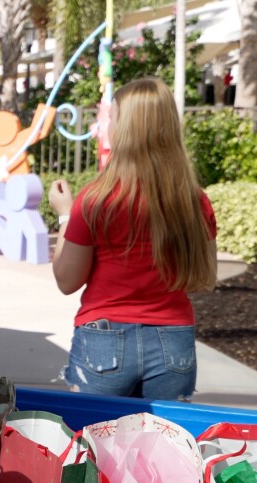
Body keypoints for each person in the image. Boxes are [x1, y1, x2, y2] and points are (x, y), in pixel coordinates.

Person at [48, 77, 218, 401]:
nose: (106, 123)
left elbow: (67, 280)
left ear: (124, 128)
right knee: (165, 448)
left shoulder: (97, 200)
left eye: (110, 117)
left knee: (94, 444)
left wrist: (65, 215)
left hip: (104, 338)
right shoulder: (194, 201)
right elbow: (202, 277)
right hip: (174, 340)